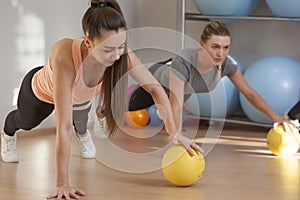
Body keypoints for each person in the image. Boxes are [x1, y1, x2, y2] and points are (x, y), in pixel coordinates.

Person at [1, 0, 201, 199]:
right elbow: (63, 127)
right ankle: (7, 134)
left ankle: (83, 131)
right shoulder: (65, 54)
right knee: (26, 122)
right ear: (88, 41)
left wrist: (174, 133)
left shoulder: (121, 56)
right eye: (107, 49)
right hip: (42, 92)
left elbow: (155, 89)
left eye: (121, 46)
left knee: (79, 121)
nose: (116, 56)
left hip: (80, 97)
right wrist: (62, 183)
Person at [127, 21, 295, 133]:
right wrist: (177, 139)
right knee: (128, 107)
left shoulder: (227, 65)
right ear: (202, 44)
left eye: (226, 47)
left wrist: (276, 118)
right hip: (158, 80)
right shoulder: (184, 62)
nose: (220, 53)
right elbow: (176, 105)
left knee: (167, 115)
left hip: (183, 89)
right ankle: (102, 111)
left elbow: (249, 94)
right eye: (215, 47)